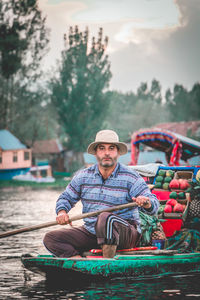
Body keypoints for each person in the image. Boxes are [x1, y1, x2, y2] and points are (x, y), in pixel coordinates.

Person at [43, 130, 159, 258]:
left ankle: (107, 263)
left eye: (111, 148)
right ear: (96, 153)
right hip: (92, 233)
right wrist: (62, 212)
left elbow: (153, 205)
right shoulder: (83, 176)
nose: (107, 153)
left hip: (124, 235)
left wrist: (146, 202)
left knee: (105, 218)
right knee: (51, 239)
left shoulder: (130, 177)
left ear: (118, 153)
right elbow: (66, 198)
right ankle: (79, 262)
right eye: (102, 148)